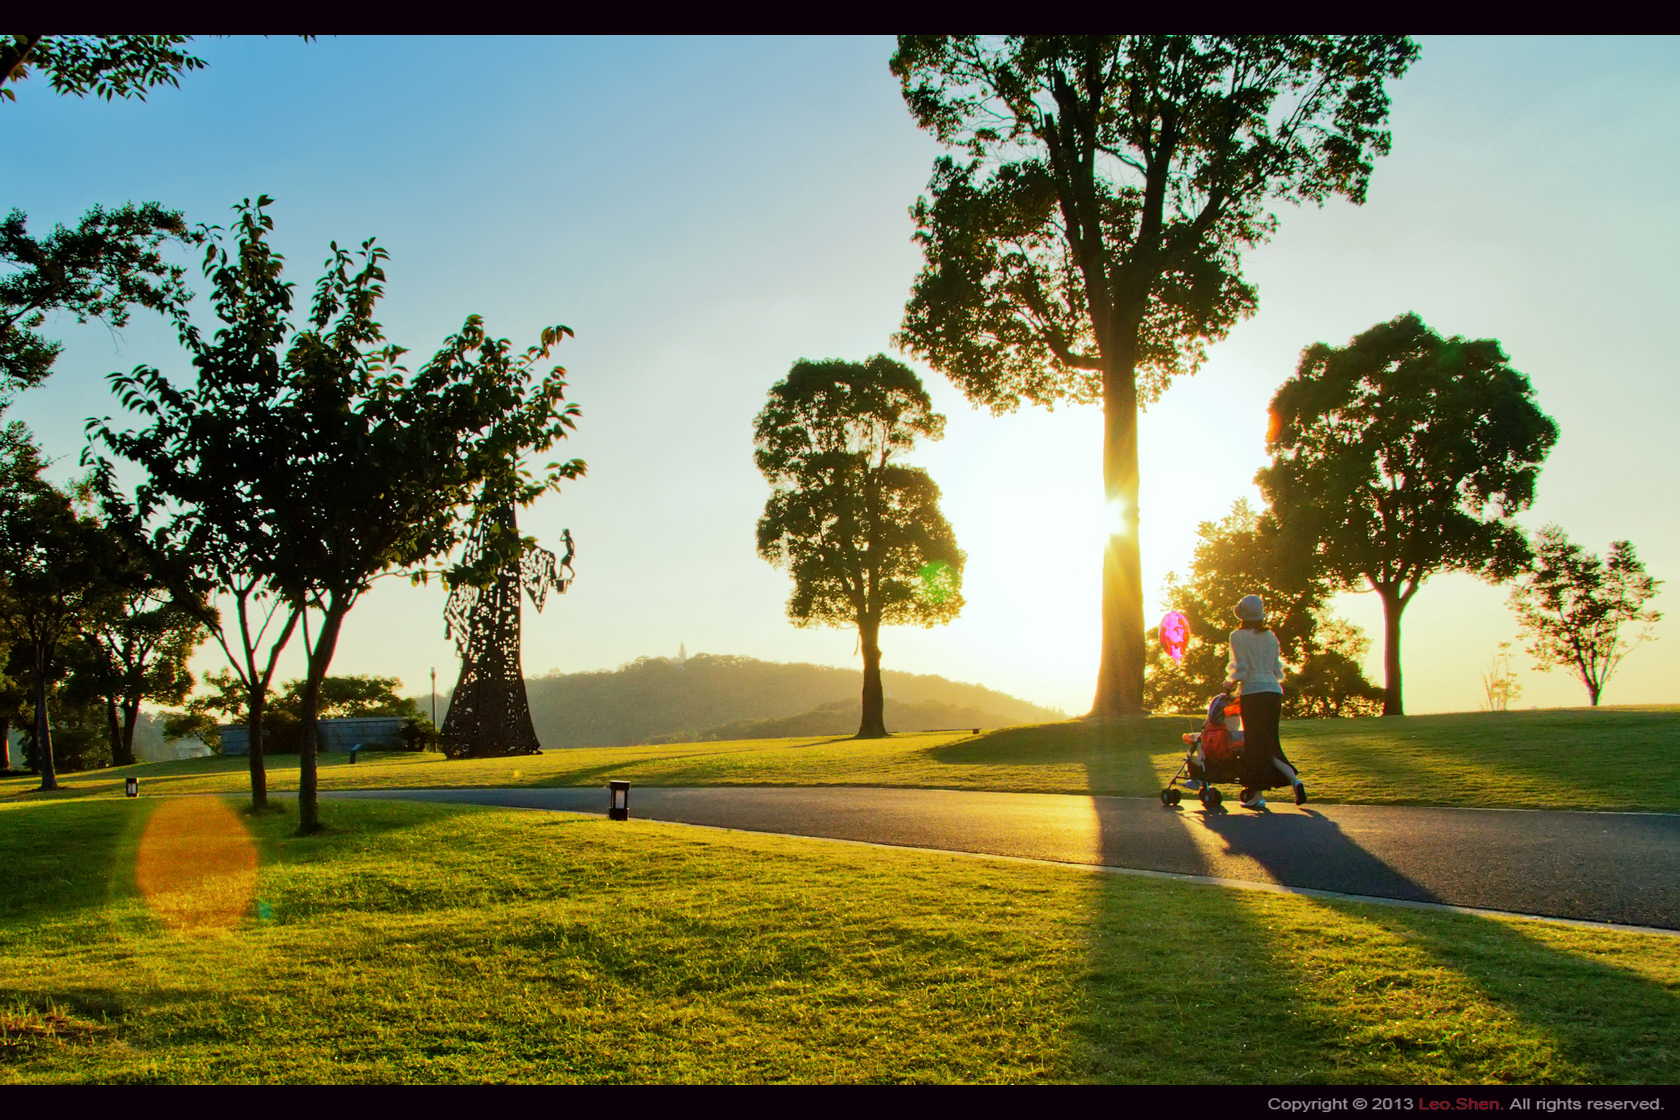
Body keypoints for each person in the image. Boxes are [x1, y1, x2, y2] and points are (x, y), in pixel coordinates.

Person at [1224, 594, 1306, 809]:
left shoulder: (1237, 636)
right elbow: (1277, 669)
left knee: (1254, 744)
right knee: (1270, 741)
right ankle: (1294, 780)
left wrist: (1228, 683)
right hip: (1273, 691)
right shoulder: (1270, 636)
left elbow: (1240, 667)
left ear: (1241, 615)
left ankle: (1256, 795)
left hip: (1253, 692)